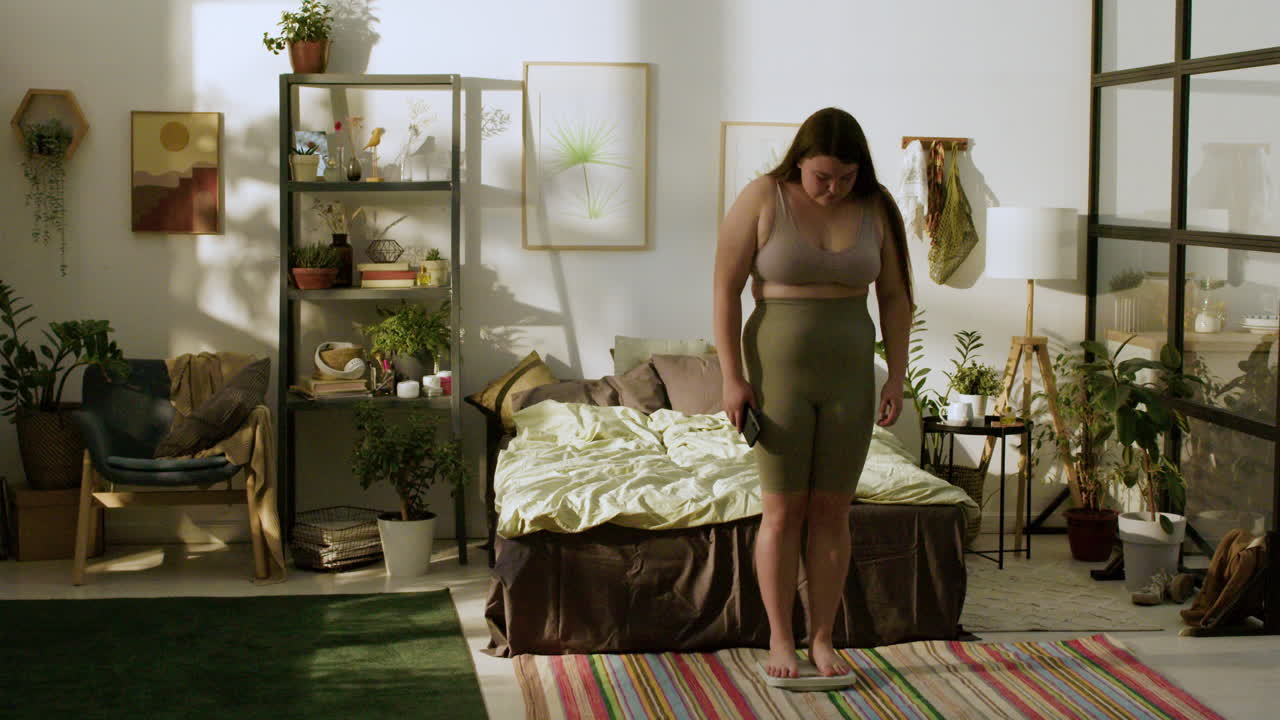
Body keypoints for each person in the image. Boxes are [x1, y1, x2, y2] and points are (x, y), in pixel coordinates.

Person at [713, 107, 913, 678]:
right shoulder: (761, 198)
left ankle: (822, 637)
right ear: (799, 161)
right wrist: (732, 376)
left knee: (833, 511)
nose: (832, 189)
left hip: (850, 373)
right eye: (822, 176)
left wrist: (895, 375)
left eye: (845, 178)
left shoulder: (876, 206)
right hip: (777, 374)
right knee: (782, 511)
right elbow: (725, 292)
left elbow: (896, 298)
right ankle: (781, 640)